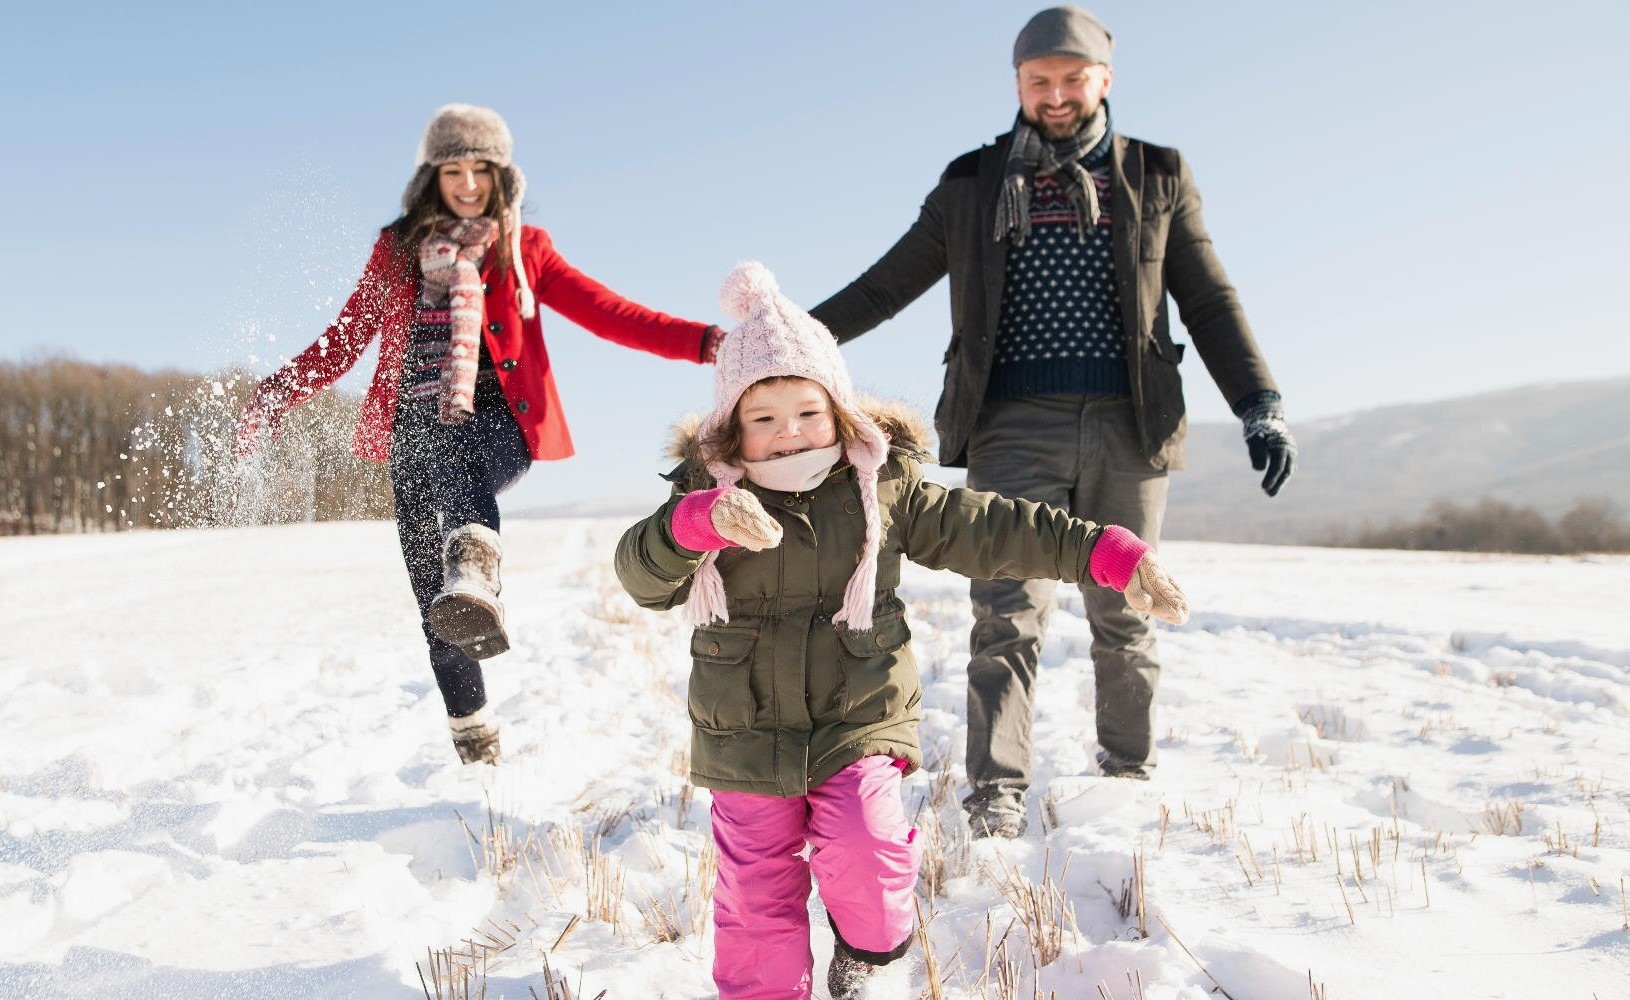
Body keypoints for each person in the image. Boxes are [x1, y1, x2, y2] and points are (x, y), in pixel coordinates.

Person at [615, 262, 1189, 999]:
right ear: (731, 429)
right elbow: (641, 574)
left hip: (860, 711)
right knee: (755, 899)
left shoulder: (881, 485)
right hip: (744, 729)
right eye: (763, 418)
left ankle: (868, 951)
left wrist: (1105, 553)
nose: (788, 431)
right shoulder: (705, 495)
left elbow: (990, 527)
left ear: (840, 412)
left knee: (868, 848)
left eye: (807, 410)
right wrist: (697, 525)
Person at [806, 5, 1297, 835]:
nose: (1057, 95)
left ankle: (1128, 775)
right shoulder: (972, 184)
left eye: (1073, 78)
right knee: (1007, 610)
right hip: (1010, 424)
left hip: (1129, 425)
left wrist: (1259, 403)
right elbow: (886, 287)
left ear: (1104, 79)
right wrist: (784, 341)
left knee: (1127, 604)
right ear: (1018, 84)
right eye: (1040, 81)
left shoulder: (1157, 174)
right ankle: (997, 794)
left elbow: (1208, 298)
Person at [235, 104, 722, 766]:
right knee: (435, 597)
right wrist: (278, 391)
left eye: (481, 170)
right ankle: (474, 735)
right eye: (453, 170)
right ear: (431, 177)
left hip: (497, 422)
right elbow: (349, 335)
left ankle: (477, 570)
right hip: (411, 428)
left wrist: (704, 342)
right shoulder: (397, 249)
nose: (467, 184)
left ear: (502, 177)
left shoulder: (525, 249)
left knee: (458, 466)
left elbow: (610, 312)